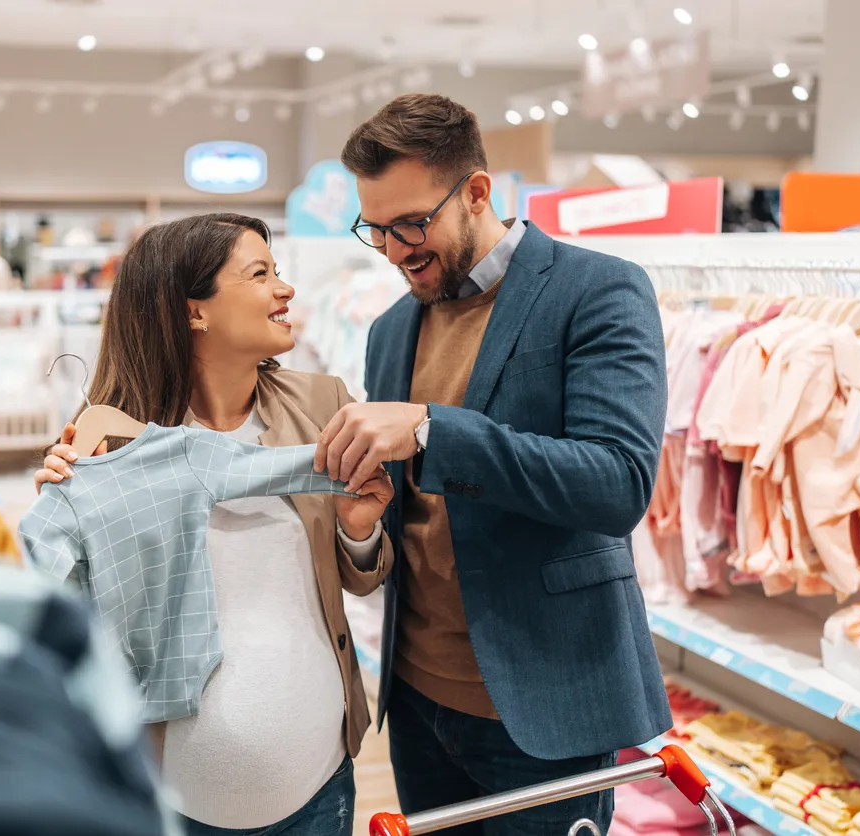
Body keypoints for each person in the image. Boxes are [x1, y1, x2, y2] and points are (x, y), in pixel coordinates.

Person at [315, 94, 671, 834]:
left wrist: (434, 431)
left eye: (412, 223)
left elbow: (617, 483)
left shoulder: (597, 290)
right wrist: (360, 528)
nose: (394, 249)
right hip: (415, 700)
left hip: (543, 705)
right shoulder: (389, 330)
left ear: (478, 191)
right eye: (375, 229)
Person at [33, 213, 396, 836]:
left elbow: (361, 581)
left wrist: (357, 531)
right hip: (176, 798)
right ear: (192, 311)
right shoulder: (107, 444)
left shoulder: (323, 406)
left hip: (321, 776)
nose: (284, 289)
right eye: (260, 274)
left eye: (278, 271)